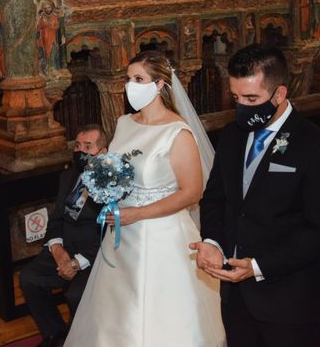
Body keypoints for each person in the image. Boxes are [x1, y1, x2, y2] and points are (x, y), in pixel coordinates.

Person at [65, 50, 225, 346]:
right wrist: (104, 186)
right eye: (128, 79)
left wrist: (137, 214)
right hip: (122, 233)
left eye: (139, 79)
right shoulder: (125, 123)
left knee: (159, 315)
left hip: (162, 237)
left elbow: (192, 192)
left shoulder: (177, 132)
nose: (130, 86)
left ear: (161, 84)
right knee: (116, 314)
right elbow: (114, 169)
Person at [191, 44, 320, 347]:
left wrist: (257, 266)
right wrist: (212, 242)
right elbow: (215, 199)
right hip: (236, 301)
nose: (242, 107)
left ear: (279, 94)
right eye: (236, 97)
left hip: (289, 302)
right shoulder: (232, 136)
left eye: (251, 99)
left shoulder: (317, 146)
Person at [20, 125, 108, 347]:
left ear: (103, 152)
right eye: (78, 146)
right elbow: (56, 218)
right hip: (64, 248)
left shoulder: (111, 184)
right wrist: (57, 250)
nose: (81, 152)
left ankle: (82, 340)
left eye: (88, 147)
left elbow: (109, 234)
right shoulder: (68, 176)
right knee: (29, 277)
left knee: (76, 295)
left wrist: (77, 263)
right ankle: (55, 335)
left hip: (94, 256)